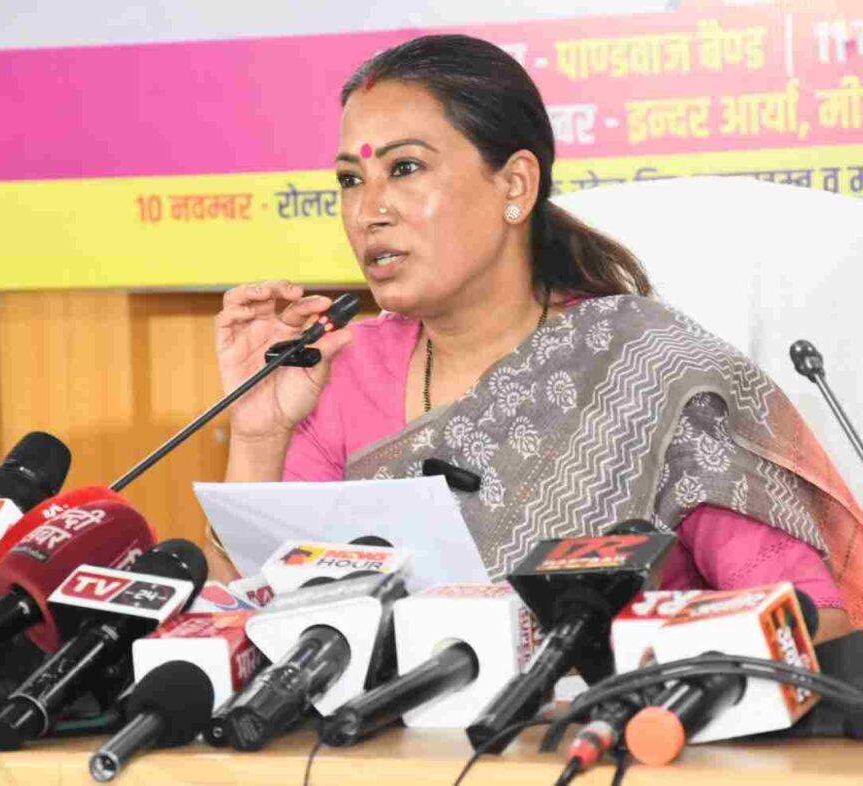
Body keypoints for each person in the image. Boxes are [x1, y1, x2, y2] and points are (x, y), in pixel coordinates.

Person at [211, 34, 861, 641]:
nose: (367, 211)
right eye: (350, 180)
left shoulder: (644, 372)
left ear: (516, 185)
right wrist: (258, 435)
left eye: (405, 168)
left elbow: (808, 618)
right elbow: (257, 622)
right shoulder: (340, 370)